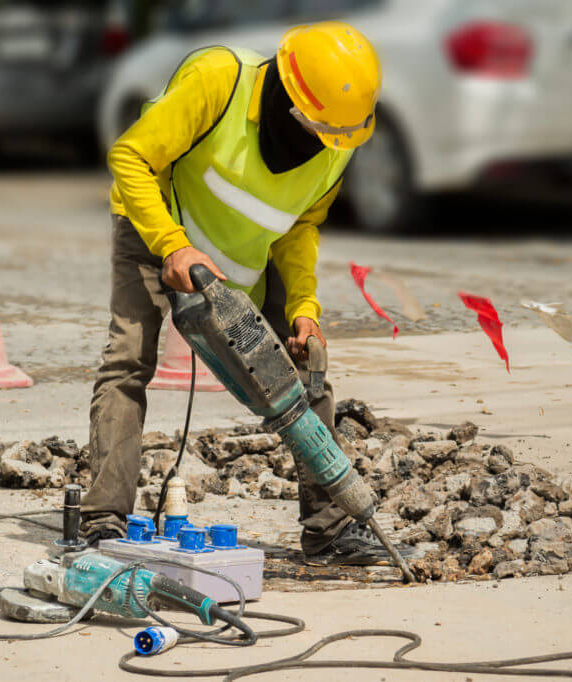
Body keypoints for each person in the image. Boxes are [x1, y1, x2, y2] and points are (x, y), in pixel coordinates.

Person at [80, 22, 418, 567]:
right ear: (288, 98)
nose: (324, 144)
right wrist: (171, 246)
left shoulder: (336, 139)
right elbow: (131, 157)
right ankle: (102, 522)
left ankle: (329, 531)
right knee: (127, 362)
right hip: (155, 223)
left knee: (307, 371)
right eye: (317, 129)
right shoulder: (218, 83)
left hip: (238, 259)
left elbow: (301, 225)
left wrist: (304, 306)